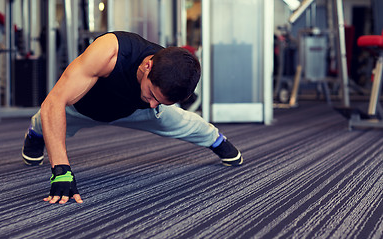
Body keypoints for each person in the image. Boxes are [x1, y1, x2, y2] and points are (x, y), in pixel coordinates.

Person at [22, 31, 243, 205]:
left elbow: (158, 104)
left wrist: (156, 103)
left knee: (183, 121)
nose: (154, 104)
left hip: (133, 110)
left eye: (161, 101)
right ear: (148, 67)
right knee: (45, 119)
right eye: (154, 95)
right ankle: (35, 135)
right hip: (84, 109)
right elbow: (54, 101)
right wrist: (61, 170)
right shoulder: (109, 52)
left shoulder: (166, 77)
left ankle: (218, 141)